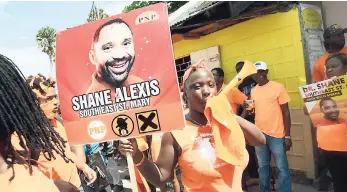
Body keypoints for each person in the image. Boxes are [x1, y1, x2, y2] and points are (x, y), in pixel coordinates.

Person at [119, 59, 266, 191]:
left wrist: (228, 114)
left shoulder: (227, 122)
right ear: (185, 95)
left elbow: (259, 140)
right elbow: (160, 177)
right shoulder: (175, 134)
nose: (207, 91)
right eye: (197, 86)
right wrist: (136, 154)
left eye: (211, 85)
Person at [0, 54, 79, 191]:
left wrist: (82, 167)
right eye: (48, 99)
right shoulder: (24, 137)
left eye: (55, 97)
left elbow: (68, 153)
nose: (56, 102)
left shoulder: (58, 124)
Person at [251, 61, 292, 192]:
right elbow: (255, 110)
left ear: (266, 72)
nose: (258, 75)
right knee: (262, 166)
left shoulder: (278, 87)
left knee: (282, 167)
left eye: (261, 71)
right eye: (255, 73)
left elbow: (286, 112)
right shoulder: (253, 91)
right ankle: (265, 190)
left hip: (277, 135)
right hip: (259, 135)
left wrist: (287, 135)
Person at [88, 18, 143, 94]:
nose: (120, 55)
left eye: (126, 44)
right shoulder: (91, 101)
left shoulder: (139, 83)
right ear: (93, 57)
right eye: (107, 48)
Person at [235, 61, 259, 191]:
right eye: (238, 70)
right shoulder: (239, 87)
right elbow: (243, 104)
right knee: (249, 150)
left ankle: (262, 176)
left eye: (242, 69)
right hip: (247, 121)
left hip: (258, 120)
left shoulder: (256, 80)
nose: (240, 72)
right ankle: (254, 176)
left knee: (261, 150)